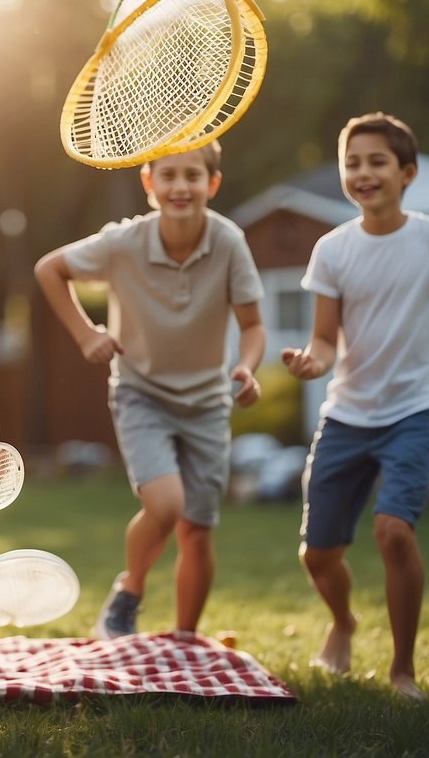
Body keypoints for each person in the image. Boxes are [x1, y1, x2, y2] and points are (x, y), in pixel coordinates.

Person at [280, 111, 429, 700]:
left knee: (393, 531)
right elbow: (325, 339)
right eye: (353, 163)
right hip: (347, 412)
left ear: (407, 173)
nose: (363, 172)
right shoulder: (331, 249)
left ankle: (403, 670)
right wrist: (311, 362)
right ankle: (344, 623)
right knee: (318, 555)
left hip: (416, 408)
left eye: (377, 162)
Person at [34, 141, 266, 640]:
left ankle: (184, 640)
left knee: (197, 531)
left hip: (207, 403)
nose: (181, 187)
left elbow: (252, 326)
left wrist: (246, 368)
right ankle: (130, 590)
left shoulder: (228, 242)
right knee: (165, 505)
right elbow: (49, 269)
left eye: (192, 176)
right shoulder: (123, 242)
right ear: (149, 183)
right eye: (168, 176)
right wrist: (87, 334)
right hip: (142, 394)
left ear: (213, 184)